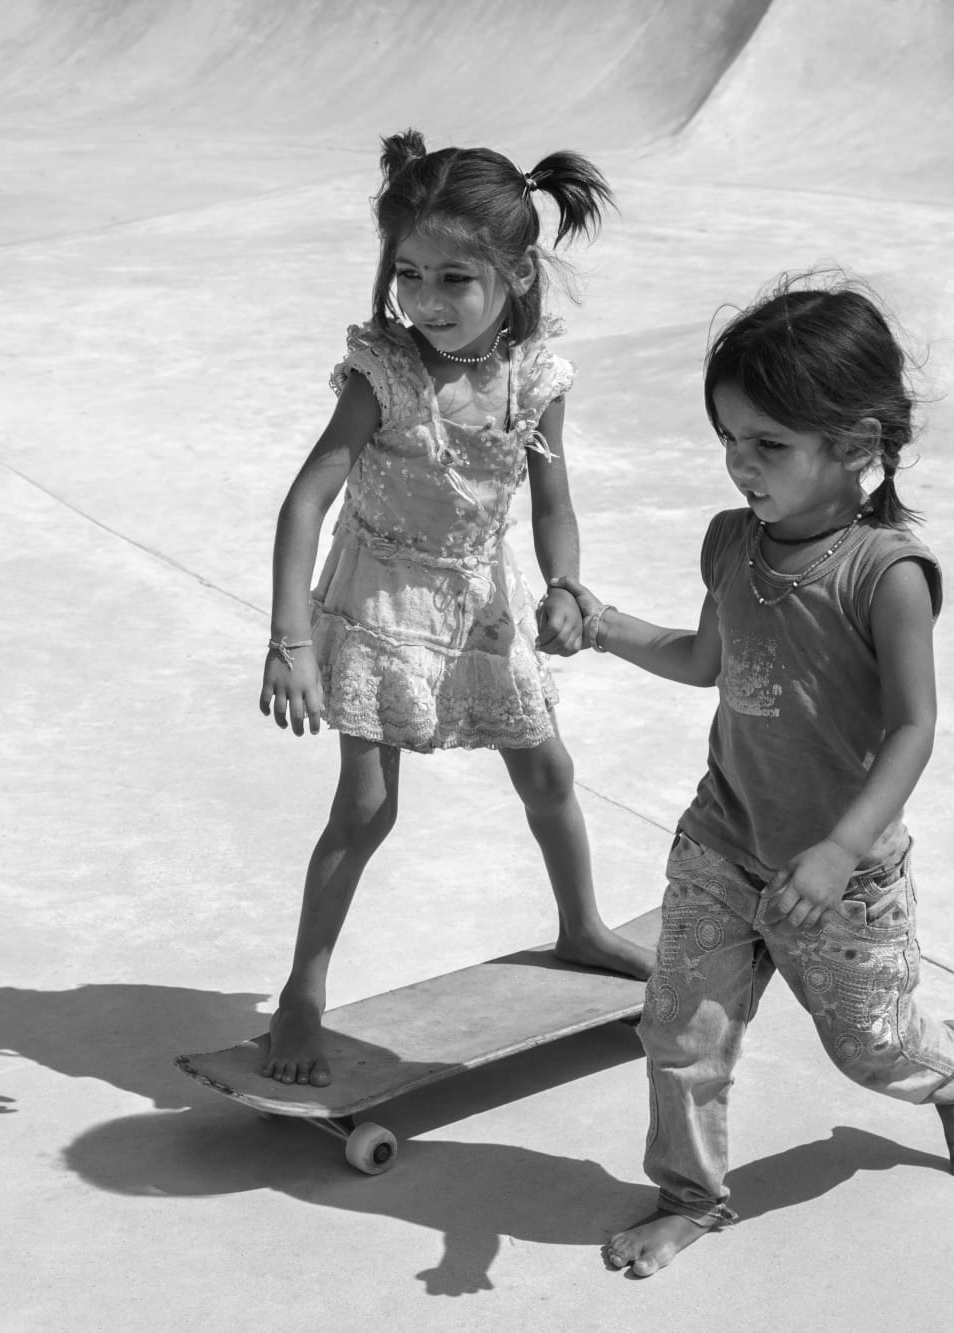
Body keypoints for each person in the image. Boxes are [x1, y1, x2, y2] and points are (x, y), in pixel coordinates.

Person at [551, 275, 954, 1277]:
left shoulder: (885, 574)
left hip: (843, 881)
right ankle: (688, 1196)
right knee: (678, 1029)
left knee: (872, 1049)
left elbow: (914, 727)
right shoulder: (730, 542)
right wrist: (603, 625)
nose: (738, 462)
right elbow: (703, 660)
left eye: (768, 443)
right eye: (728, 437)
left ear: (855, 442)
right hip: (722, 841)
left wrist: (839, 849)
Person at [256, 129, 654, 1087]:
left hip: (482, 600)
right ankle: (301, 995)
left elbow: (553, 504)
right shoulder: (384, 376)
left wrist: (566, 584)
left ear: (515, 274)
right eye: (408, 274)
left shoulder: (535, 381)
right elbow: (307, 500)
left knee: (549, 772)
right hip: (381, 598)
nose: (424, 301)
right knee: (366, 807)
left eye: (452, 279)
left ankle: (581, 925)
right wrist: (289, 639)